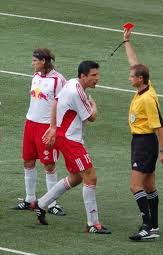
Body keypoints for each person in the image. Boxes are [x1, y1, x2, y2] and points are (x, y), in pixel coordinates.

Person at [30, 60, 111, 234]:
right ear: (83, 76)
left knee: (76, 177)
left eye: (98, 75)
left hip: (65, 137)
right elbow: (91, 117)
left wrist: (53, 127)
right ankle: (92, 224)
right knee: (91, 177)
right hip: (70, 140)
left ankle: (41, 204)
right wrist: (94, 106)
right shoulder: (77, 92)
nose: (97, 79)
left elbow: (55, 102)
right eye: (93, 76)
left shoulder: (70, 83)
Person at [122, 28, 163, 241]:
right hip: (141, 142)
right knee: (149, 186)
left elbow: (160, 125)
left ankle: (146, 226)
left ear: (140, 79)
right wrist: (127, 42)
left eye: (132, 76)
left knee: (135, 186)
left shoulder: (148, 99)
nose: (129, 77)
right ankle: (155, 226)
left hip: (144, 143)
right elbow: (134, 62)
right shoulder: (145, 87)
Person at [14, 48, 66, 216]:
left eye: (35, 61)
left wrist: (55, 129)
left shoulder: (58, 80)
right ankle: (30, 199)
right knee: (28, 162)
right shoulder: (35, 76)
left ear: (43, 61)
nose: (32, 63)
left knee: (49, 165)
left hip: (46, 127)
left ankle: (52, 203)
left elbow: (63, 105)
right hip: (30, 124)